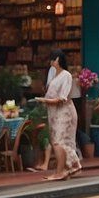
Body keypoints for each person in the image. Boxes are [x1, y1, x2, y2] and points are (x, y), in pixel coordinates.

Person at [36, 49, 82, 181]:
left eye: (54, 58)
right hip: (54, 113)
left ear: (58, 60)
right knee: (57, 141)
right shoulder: (55, 75)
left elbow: (62, 97)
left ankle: (60, 171)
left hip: (64, 112)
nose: (52, 61)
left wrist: (44, 100)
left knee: (58, 141)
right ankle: (65, 169)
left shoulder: (66, 75)